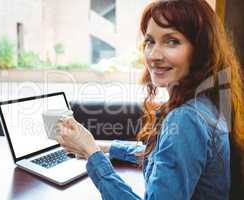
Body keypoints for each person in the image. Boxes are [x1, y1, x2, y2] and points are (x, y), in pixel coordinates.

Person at [56, 0, 244, 199]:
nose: (154, 55)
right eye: (150, 41)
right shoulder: (206, 102)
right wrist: (101, 147)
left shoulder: (186, 118)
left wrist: (91, 154)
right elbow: (160, 154)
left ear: (200, 50)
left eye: (172, 41)